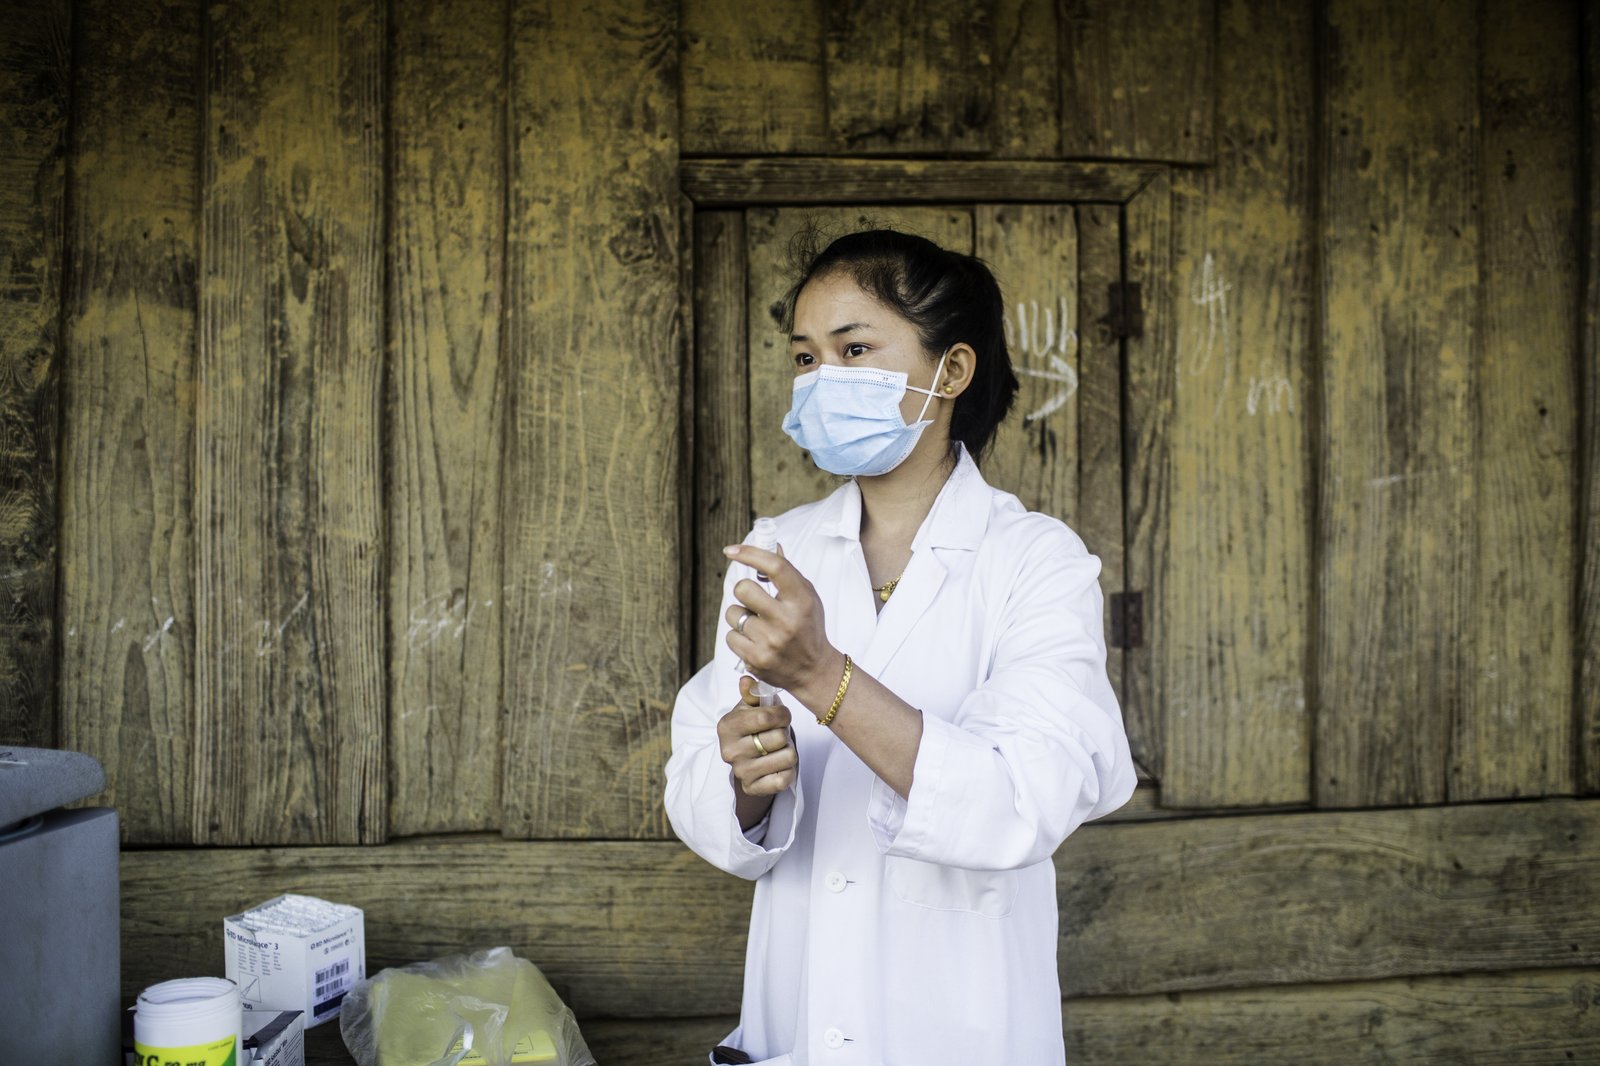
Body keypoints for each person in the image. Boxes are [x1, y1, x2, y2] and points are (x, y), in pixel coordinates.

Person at [664, 228, 1138, 1065]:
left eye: (854, 350)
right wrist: (744, 782)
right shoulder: (778, 550)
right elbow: (702, 785)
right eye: (806, 358)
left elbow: (1024, 798)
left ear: (950, 372)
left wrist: (822, 677)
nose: (822, 379)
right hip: (799, 1014)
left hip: (963, 1028)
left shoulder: (1035, 560)